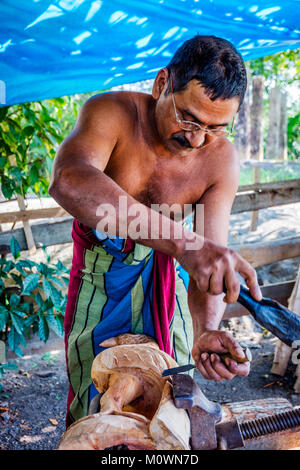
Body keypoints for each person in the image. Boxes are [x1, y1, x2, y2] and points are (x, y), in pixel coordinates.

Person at [49, 35, 262, 427]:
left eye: (216, 128)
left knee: (172, 403)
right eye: (189, 118)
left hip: (167, 282)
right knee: (96, 404)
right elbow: (69, 180)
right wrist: (184, 243)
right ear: (161, 83)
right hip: (98, 280)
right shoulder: (111, 112)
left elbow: (207, 264)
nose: (196, 139)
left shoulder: (219, 158)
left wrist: (207, 330)